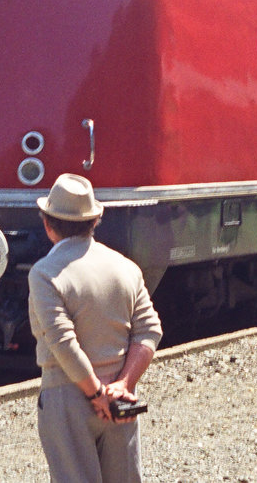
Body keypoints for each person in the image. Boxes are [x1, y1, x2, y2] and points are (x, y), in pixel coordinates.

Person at [28, 173, 162, 483]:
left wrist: (96, 393)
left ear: (48, 224)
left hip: (68, 396)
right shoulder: (126, 267)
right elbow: (150, 330)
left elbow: (63, 342)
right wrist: (123, 386)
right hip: (121, 399)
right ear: (95, 220)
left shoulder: (45, 274)